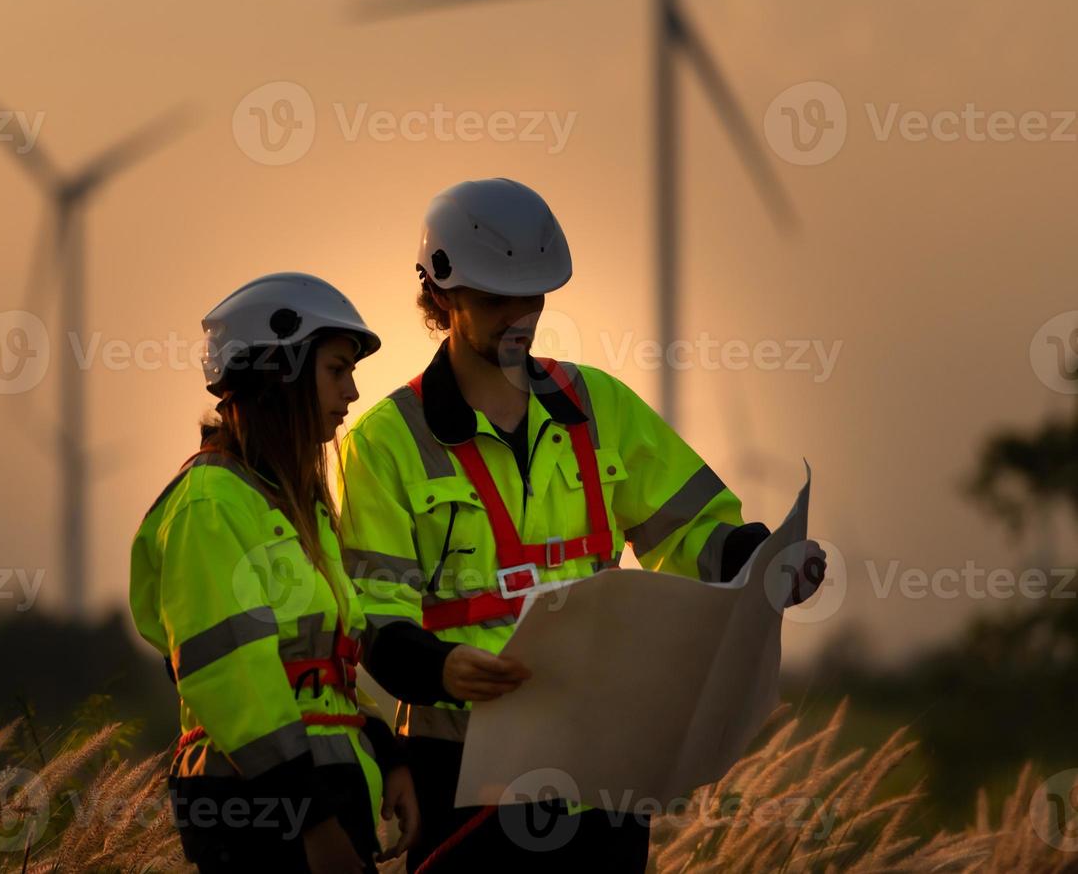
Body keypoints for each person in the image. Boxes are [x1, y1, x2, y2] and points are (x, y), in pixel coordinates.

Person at [337, 179, 826, 872]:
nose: (520, 317)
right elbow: (375, 625)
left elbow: (698, 535)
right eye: (496, 299)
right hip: (468, 764)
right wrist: (442, 667)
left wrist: (768, 559)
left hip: (603, 757)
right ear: (442, 295)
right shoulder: (383, 443)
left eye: (532, 296)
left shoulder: (601, 407)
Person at [130, 272, 422, 873]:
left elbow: (315, 670)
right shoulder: (210, 506)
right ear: (280, 372)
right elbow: (236, 685)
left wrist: (384, 752)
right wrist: (311, 824)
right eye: (337, 370)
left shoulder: (295, 504)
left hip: (318, 797)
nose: (353, 392)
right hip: (261, 816)